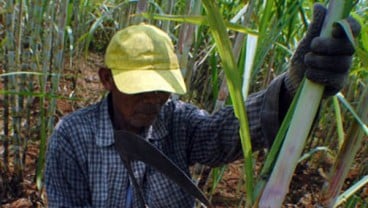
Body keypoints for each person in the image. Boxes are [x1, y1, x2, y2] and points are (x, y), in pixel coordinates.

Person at [45, 4, 360, 208]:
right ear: (106, 79)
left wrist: (295, 88)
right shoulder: (73, 137)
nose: (153, 99)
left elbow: (229, 132)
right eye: (140, 89)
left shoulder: (179, 122)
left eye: (161, 90)